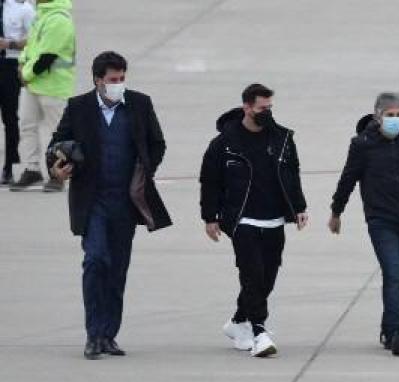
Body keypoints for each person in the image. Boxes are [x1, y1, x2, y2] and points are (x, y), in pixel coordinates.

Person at [48, 51, 172, 359]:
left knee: (117, 270)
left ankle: (108, 335)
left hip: (125, 202)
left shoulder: (140, 104)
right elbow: (56, 145)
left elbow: (157, 143)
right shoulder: (78, 108)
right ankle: (93, 335)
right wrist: (57, 168)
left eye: (122, 79)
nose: (119, 85)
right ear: (98, 80)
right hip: (93, 202)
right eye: (113, 80)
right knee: (95, 261)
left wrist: (145, 171)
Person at [328, 92, 399, 357]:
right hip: (381, 219)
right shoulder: (362, 143)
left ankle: (388, 326)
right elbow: (348, 178)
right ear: (378, 115)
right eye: (390, 115)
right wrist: (337, 211)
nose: (395, 120)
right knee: (393, 272)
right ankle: (396, 331)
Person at [199, 83, 308, 358]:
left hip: (274, 219)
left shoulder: (282, 138)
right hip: (243, 219)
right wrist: (210, 217)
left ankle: (238, 322)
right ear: (246, 107)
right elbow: (209, 182)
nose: (267, 113)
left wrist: (299, 207)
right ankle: (259, 330)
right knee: (252, 275)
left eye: (270, 108)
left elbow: (292, 174)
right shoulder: (223, 144)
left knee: (267, 277)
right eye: (262, 108)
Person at [11, 0, 75, 192]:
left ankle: (58, 173)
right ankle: (32, 168)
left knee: (56, 132)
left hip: (54, 86)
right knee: (27, 126)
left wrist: (26, 74)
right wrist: (22, 64)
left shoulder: (59, 19)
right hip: (33, 85)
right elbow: (31, 46)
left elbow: (48, 56)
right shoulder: (41, 15)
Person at [0, 0, 34, 186]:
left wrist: (10, 44)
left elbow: (34, 39)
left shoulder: (23, 8)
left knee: (10, 118)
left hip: (9, 66)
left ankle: (8, 168)